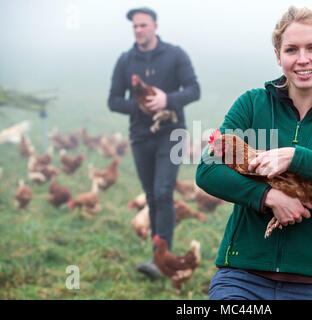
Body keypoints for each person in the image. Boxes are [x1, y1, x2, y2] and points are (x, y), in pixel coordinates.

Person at [195, 6, 312, 300]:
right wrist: (268, 198)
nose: (303, 59)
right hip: (242, 276)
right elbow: (207, 170)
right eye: (291, 49)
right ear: (278, 56)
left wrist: (299, 158)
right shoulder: (253, 105)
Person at [108, 7, 200, 278]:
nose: (138, 30)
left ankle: (161, 259)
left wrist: (166, 100)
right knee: (150, 196)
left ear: (155, 26)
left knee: (163, 193)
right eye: (135, 26)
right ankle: (159, 257)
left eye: (143, 25)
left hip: (172, 134)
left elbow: (195, 89)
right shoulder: (125, 61)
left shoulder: (175, 54)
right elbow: (113, 100)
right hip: (140, 136)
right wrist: (141, 105)